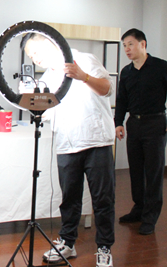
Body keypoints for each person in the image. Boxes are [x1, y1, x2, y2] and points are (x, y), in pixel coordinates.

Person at [21, 33, 115, 267]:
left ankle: (104, 248)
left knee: (102, 199)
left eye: (36, 52)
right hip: (66, 143)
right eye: (31, 56)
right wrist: (30, 100)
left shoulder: (84, 59)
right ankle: (67, 242)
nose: (35, 59)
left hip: (96, 141)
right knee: (69, 198)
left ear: (49, 43)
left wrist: (84, 76)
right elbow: (46, 111)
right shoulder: (48, 77)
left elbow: (107, 88)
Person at [115, 28, 167, 236]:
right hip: (134, 124)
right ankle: (139, 208)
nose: (127, 49)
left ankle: (150, 216)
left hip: (155, 123)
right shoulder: (126, 72)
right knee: (136, 170)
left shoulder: (161, 66)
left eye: (130, 44)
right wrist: (118, 123)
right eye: (124, 46)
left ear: (143, 44)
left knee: (153, 172)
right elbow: (121, 100)